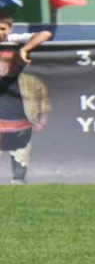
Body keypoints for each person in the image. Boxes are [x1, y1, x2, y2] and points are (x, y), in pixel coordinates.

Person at [0, 36, 51, 185]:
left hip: (21, 126)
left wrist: (42, 121)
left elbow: (44, 102)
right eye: (3, 61)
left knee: (21, 157)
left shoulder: (32, 81)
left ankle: (19, 179)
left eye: (11, 61)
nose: (6, 65)